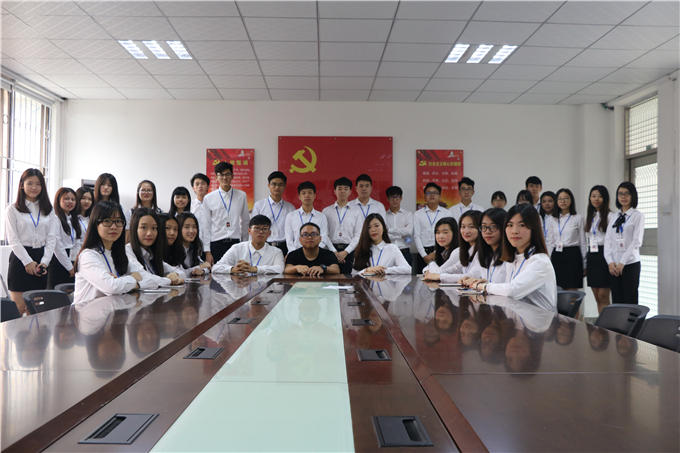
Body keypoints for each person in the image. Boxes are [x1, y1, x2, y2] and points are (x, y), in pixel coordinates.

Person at [468, 204, 558, 312]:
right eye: (510, 225)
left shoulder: (539, 260)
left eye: (522, 225)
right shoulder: (512, 258)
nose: (514, 231)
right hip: (518, 318)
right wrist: (487, 284)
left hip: (539, 320)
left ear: (533, 228)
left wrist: (484, 286)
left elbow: (512, 291)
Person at [73, 201, 158, 305]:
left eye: (118, 221)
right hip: (87, 312)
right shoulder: (89, 255)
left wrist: (123, 282)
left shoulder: (118, 255)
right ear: (95, 224)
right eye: (107, 221)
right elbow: (111, 287)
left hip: (112, 310)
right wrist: (133, 278)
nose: (114, 227)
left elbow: (150, 279)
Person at [5, 169, 57, 314]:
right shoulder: (13, 209)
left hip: (41, 258)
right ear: (22, 185)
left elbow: (51, 238)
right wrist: (27, 261)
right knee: (19, 307)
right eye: (30, 183)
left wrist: (45, 262)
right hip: (21, 258)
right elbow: (13, 238)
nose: (34, 187)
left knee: (36, 308)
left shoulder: (48, 209)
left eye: (38, 184)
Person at [605, 182, 645, 305]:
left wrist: (622, 262)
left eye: (627, 194)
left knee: (630, 300)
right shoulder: (614, 216)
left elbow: (636, 241)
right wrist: (610, 262)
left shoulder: (638, 216)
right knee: (617, 301)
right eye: (620, 194)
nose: (623, 197)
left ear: (633, 196)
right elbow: (608, 240)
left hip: (630, 264)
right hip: (614, 266)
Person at [202, 162, 249, 264]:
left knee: (237, 273)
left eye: (227, 174)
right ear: (216, 177)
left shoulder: (241, 196)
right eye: (221, 175)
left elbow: (245, 222)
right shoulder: (208, 198)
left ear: (232, 176)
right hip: (216, 244)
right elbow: (206, 226)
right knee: (217, 273)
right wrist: (207, 252)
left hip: (236, 244)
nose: (224, 177)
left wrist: (245, 244)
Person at [125, 208, 185, 287]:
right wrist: (170, 280)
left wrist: (175, 274)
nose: (149, 233)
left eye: (154, 228)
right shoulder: (128, 251)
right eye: (144, 227)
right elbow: (144, 277)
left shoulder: (150, 253)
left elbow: (182, 273)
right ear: (134, 229)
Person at [213, 215, 284, 275]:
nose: (261, 232)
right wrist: (232, 269)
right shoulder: (237, 248)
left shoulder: (276, 252)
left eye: (265, 229)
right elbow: (215, 268)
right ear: (249, 231)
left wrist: (255, 269)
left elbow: (280, 269)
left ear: (269, 233)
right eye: (257, 228)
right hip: (241, 286)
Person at [423, 210, 480, 282]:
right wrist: (435, 274)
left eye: (471, 226)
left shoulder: (480, 252)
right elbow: (451, 269)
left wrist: (432, 264)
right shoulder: (467, 251)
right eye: (463, 227)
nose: (466, 231)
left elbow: (470, 276)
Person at [322, 177, 362, 274]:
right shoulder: (326, 211)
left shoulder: (357, 211)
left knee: (347, 279)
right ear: (335, 191)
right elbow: (324, 234)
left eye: (346, 189)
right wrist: (334, 252)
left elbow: (358, 234)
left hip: (349, 251)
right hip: (330, 250)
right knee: (330, 279)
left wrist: (346, 251)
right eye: (339, 188)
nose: (342, 191)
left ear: (350, 192)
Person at [549, 188, 586, 292]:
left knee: (572, 290)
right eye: (560, 199)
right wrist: (548, 260)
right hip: (557, 255)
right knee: (558, 289)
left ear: (571, 200)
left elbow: (583, 242)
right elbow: (550, 242)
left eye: (566, 198)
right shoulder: (552, 219)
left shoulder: (578, 218)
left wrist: (584, 263)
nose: (563, 201)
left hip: (573, 255)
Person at [585, 185, 614, 313]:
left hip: (605, 254)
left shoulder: (611, 216)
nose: (596, 199)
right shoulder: (591, 216)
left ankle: (608, 323)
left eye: (600, 196)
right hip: (592, 255)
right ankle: (602, 321)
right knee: (597, 296)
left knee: (603, 295)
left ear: (605, 198)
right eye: (593, 196)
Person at [251, 171, 295, 256]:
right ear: (269, 185)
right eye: (274, 184)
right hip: (264, 246)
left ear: (285, 186)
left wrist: (291, 251)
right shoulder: (259, 205)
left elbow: (293, 232)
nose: (277, 187)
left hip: (284, 247)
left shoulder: (290, 208)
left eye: (280, 184)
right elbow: (254, 228)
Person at [462, 207, 509, 284]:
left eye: (493, 227)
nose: (487, 231)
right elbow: (473, 275)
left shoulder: (510, 255)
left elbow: (509, 287)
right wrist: (466, 279)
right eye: (484, 227)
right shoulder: (483, 253)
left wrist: (485, 285)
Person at [47, 188, 82, 289]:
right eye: (66, 199)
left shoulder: (74, 219)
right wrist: (69, 267)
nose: (70, 202)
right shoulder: (55, 218)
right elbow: (57, 246)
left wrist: (76, 263)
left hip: (73, 258)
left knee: (71, 293)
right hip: (59, 261)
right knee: (57, 294)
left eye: (73, 199)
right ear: (58, 200)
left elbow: (77, 242)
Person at [413, 182, 452, 273]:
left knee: (441, 277)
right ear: (424, 197)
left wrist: (436, 252)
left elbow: (450, 235)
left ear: (439, 196)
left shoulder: (447, 213)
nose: (432, 195)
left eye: (435, 193)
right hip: (423, 253)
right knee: (422, 278)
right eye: (428, 193)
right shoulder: (418, 214)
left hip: (442, 252)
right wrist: (424, 255)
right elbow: (416, 236)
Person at [284, 181, 331, 252]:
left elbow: (323, 239)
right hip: (296, 254)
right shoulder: (291, 216)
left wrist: (314, 253)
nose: (307, 195)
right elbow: (289, 240)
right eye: (303, 193)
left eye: (310, 193)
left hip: (316, 254)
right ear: (299, 196)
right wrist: (295, 254)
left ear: (314, 195)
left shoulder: (321, 216)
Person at [384, 185, 414, 267]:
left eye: (397, 197)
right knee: (387, 275)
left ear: (401, 198)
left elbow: (409, 231)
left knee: (406, 275)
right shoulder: (384, 216)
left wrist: (389, 230)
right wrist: (401, 234)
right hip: (388, 253)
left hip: (404, 252)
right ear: (388, 199)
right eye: (391, 197)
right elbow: (384, 235)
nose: (394, 200)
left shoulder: (408, 214)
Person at [176, 212, 212, 276]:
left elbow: (207, 266)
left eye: (194, 227)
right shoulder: (173, 249)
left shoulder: (192, 247)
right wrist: (200, 267)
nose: (191, 231)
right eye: (187, 227)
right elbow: (178, 273)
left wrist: (202, 270)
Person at [190, 172, 210, 257]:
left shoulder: (213, 205)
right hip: (194, 245)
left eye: (203, 183)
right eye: (197, 184)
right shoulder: (190, 206)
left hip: (211, 245)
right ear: (193, 188)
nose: (200, 186)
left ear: (208, 186)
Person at [74, 186, 94, 259]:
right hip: (76, 255)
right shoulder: (73, 218)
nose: (87, 201)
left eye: (90, 199)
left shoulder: (92, 218)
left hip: (91, 254)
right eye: (83, 198)